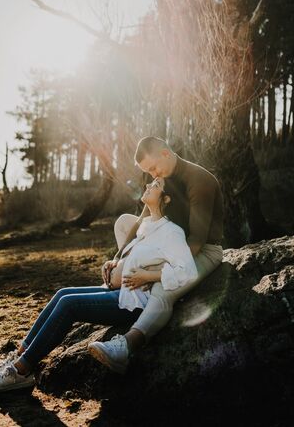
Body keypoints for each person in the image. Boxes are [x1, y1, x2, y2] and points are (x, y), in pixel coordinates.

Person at [0, 176, 197, 391]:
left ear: (167, 199)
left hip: (133, 303)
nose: (149, 185)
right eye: (150, 183)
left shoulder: (172, 232)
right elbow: (135, 256)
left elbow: (188, 271)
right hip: (120, 291)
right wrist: (115, 263)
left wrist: (147, 277)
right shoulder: (147, 225)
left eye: (156, 185)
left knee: (70, 305)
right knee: (62, 293)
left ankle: (21, 371)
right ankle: (19, 354)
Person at [90, 136, 223, 372]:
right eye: (147, 171)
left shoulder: (198, 180)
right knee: (124, 223)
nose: (153, 174)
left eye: (153, 168)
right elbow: (142, 220)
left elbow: (196, 241)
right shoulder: (163, 178)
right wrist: (118, 257)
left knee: (164, 288)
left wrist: (155, 272)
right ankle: (133, 291)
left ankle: (126, 346)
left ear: (165, 153)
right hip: (170, 239)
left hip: (202, 250)